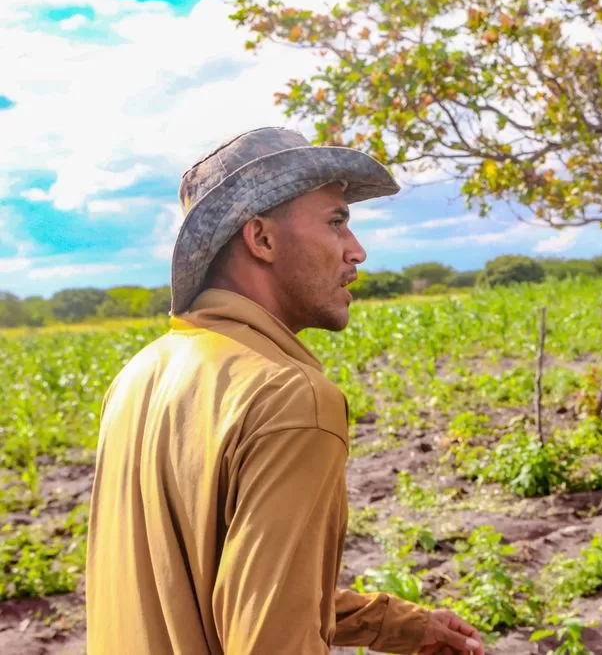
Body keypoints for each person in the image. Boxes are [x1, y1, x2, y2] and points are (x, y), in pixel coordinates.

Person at [85, 126, 485, 655]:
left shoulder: (139, 374)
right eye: (337, 223)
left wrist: (397, 625)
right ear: (262, 239)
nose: (357, 251)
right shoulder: (289, 397)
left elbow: (216, 587)